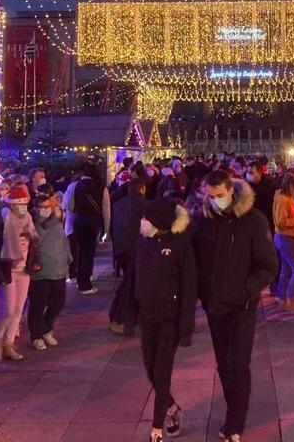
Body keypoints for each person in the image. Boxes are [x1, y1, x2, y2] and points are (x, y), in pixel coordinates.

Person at [190, 170, 277, 442]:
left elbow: (268, 265)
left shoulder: (252, 220)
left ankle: (235, 422)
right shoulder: (202, 222)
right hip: (215, 304)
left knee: (238, 363)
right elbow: (194, 261)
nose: (216, 201)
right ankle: (232, 409)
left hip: (242, 305)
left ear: (231, 191)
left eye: (220, 195)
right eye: (211, 196)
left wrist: (247, 289)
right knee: (224, 365)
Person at [136, 199, 197, 442]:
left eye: (146, 219)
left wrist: (186, 326)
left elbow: (189, 287)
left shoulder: (180, 245)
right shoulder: (142, 243)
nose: (142, 223)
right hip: (146, 316)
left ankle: (158, 425)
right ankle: (171, 406)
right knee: (150, 368)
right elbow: (134, 277)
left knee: (162, 372)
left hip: (169, 318)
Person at [0, 185, 37, 361]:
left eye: (25, 203)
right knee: (8, 310)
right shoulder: (2, 220)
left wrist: (34, 261)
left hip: (24, 268)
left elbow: (34, 242)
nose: (23, 207)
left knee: (18, 309)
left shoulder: (28, 219)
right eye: (19, 203)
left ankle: (9, 343)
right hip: (8, 269)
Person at [27, 193, 70, 351]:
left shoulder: (56, 223)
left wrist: (68, 258)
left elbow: (63, 242)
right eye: (42, 207)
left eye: (48, 207)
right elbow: (34, 242)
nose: (45, 210)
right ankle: (36, 335)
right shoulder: (31, 224)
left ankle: (46, 327)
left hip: (58, 270)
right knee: (38, 304)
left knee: (58, 302)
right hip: (40, 272)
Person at [109, 177, 147, 335]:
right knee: (131, 283)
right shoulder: (145, 205)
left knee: (128, 280)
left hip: (120, 247)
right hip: (136, 248)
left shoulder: (118, 204)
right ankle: (123, 315)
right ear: (142, 189)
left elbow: (112, 226)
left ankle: (128, 313)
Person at [72, 164, 111, 294]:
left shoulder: (76, 185)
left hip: (78, 220)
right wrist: (106, 228)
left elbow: (70, 205)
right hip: (93, 222)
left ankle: (80, 278)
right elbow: (106, 209)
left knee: (81, 251)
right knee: (89, 252)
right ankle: (85, 284)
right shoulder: (101, 187)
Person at [273, 171, 294, 314]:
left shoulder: (287, 198)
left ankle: (281, 298)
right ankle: (291, 300)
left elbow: (286, 214)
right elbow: (281, 222)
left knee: (286, 270)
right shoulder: (283, 199)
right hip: (285, 236)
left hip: (287, 236)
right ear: (291, 186)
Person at [247, 160, 277, 235]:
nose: (248, 175)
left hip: (268, 220)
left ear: (259, 173)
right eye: (248, 172)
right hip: (253, 221)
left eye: (251, 173)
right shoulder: (247, 185)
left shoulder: (269, 184)